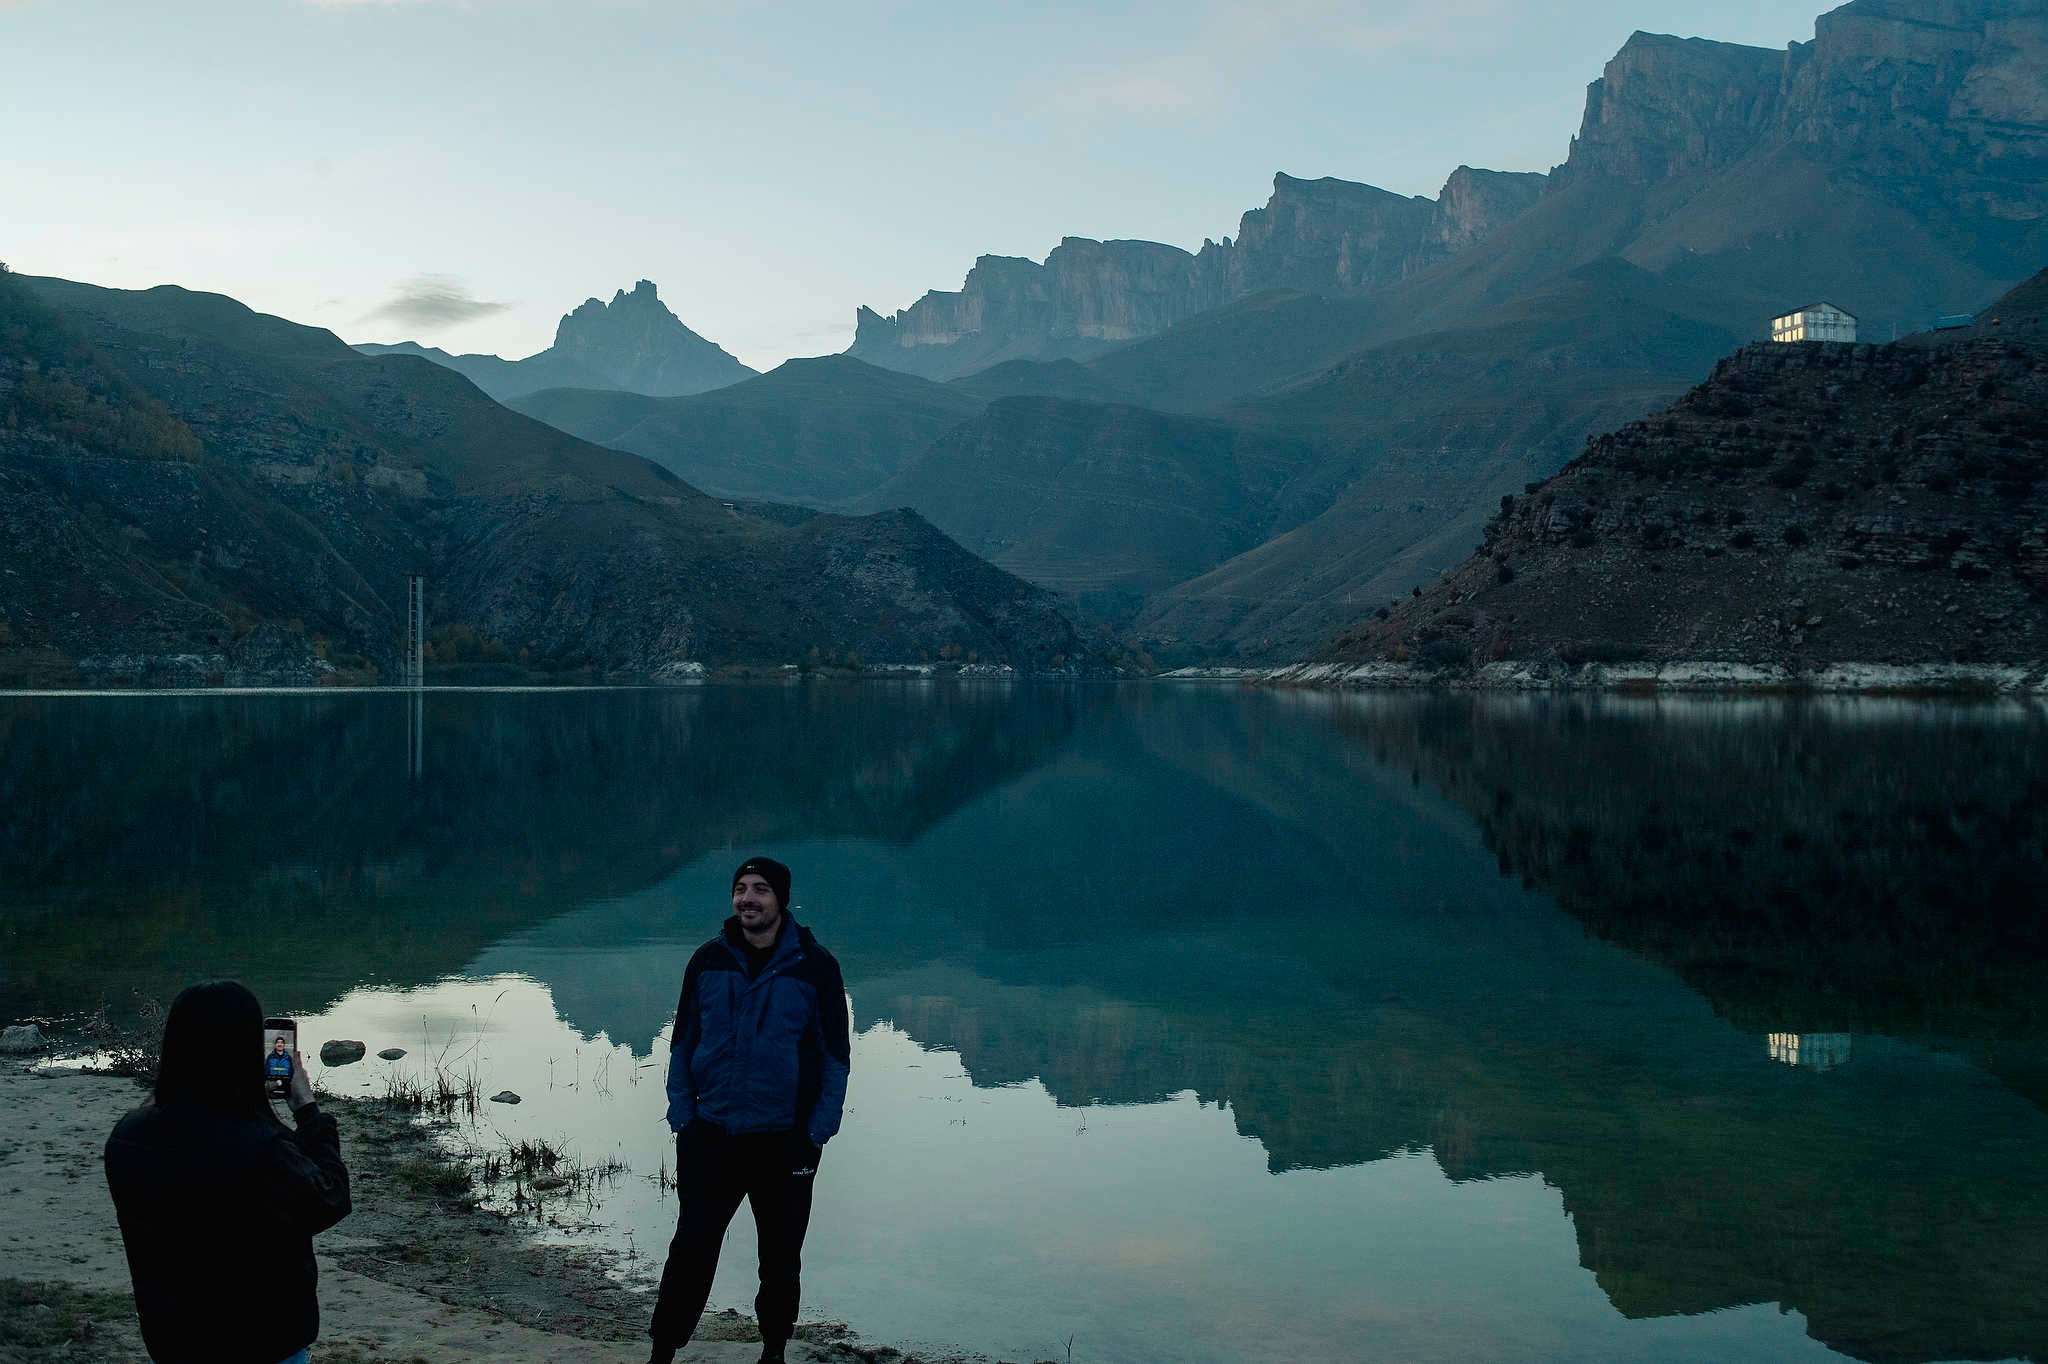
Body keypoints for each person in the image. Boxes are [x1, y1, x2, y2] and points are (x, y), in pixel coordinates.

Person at [650, 856, 851, 1364]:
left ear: (781, 899)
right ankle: (662, 1351)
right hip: (711, 1133)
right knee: (691, 1248)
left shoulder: (816, 967)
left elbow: (835, 1058)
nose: (748, 899)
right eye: (740, 888)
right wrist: (682, 1115)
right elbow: (682, 1043)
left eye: (760, 889)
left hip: (786, 1139)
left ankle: (774, 1352)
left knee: (780, 1257)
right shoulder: (707, 961)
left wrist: (818, 1131)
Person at [104, 981, 352, 1364]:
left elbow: (174, 1126)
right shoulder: (261, 1149)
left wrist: (174, 1086)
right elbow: (329, 1197)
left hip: (173, 1342)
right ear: (248, 1051)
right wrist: (306, 1107)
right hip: (263, 1345)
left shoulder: (128, 1140)